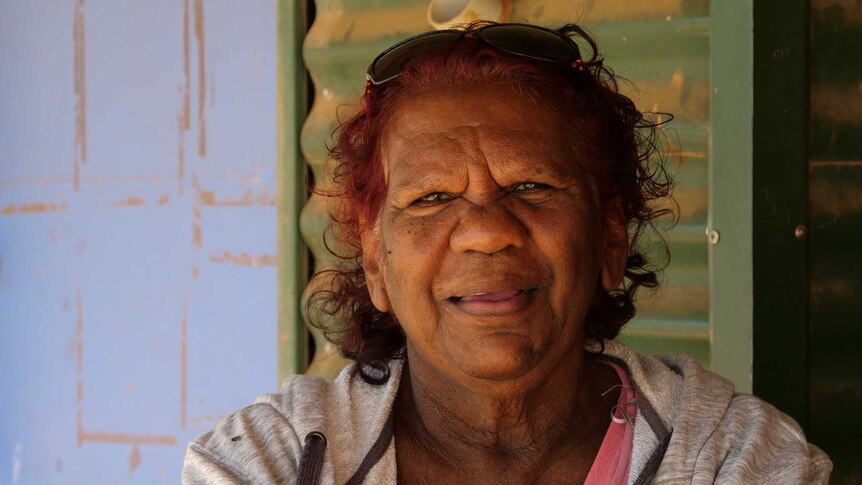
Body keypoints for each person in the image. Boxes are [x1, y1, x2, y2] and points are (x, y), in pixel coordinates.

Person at [182, 22, 832, 484]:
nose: (486, 230)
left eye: (531, 185)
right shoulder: (270, 462)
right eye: (433, 197)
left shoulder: (735, 458)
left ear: (609, 237)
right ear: (375, 262)